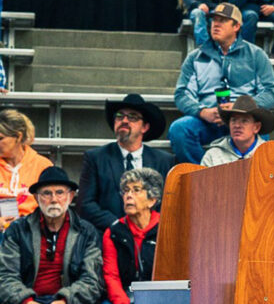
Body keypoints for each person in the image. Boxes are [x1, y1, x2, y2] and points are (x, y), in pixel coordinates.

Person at [169, 2, 274, 164]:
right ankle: (205, 175)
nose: (216, 24)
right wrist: (202, 111)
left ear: (236, 27)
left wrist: (242, 108)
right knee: (179, 130)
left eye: (222, 20)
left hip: (243, 118)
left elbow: (270, 92)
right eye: (214, 20)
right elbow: (181, 94)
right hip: (207, 121)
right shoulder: (195, 57)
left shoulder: (256, 55)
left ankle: (251, 180)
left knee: (259, 130)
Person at [0, 166, 103, 304]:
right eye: (46, 193)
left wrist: (65, 301)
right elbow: (5, 276)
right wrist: (27, 301)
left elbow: (92, 280)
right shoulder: (18, 230)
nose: (54, 199)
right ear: (36, 198)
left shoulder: (86, 232)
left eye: (59, 192)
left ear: (70, 196)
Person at [77, 94, 174, 233]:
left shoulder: (164, 161)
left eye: (132, 117)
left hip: (151, 237)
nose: (124, 120)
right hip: (109, 234)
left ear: (145, 127)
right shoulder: (96, 158)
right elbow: (85, 204)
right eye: (119, 116)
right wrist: (116, 224)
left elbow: (168, 205)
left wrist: (148, 226)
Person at [102, 168, 163, 304]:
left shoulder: (165, 228)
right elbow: (111, 276)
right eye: (126, 190)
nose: (129, 195)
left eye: (136, 190)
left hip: (159, 295)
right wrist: (122, 302)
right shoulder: (113, 232)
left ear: (152, 200)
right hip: (124, 295)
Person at [0, 109, 53, 234]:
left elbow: (53, 205)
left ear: (18, 136)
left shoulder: (43, 165)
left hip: (32, 231)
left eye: (0, 138)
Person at [201, 95, 274, 167]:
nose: (237, 125)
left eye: (244, 121)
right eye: (234, 120)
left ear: (256, 127)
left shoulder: (270, 155)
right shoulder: (212, 155)